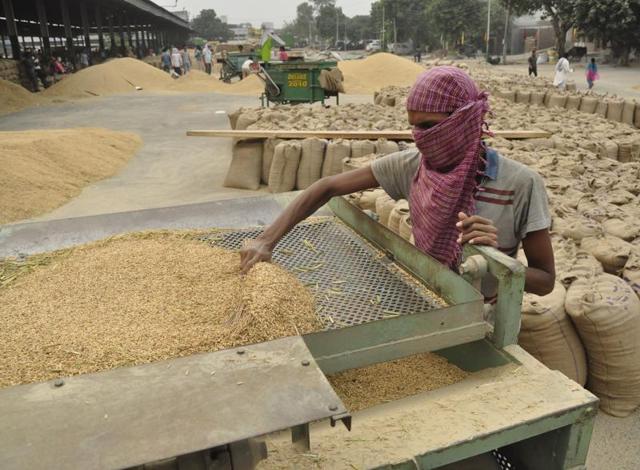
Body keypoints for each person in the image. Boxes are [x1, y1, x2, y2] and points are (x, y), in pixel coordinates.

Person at [239, 66, 555, 297]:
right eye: (414, 127)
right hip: (428, 298)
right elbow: (327, 187)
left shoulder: (521, 184)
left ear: (464, 121)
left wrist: (496, 259)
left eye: (430, 126)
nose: (421, 138)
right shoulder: (412, 166)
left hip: (489, 319)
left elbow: (546, 281)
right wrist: (267, 240)